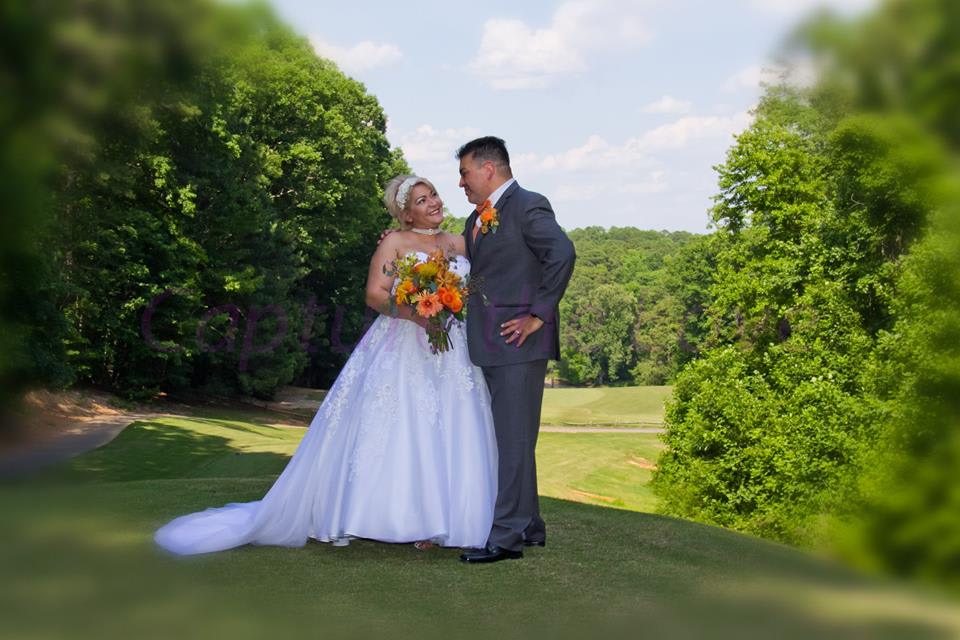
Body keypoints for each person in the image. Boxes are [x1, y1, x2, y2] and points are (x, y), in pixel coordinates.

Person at [154, 175, 498, 555]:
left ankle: (442, 520)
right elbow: (374, 295)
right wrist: (415, 314)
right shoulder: (395, 243)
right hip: (402, 344)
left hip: (453, 350)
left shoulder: (458, 241)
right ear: (405, 214)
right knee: (405, 426)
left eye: (432, 194)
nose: (432, 202)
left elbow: (492, 263)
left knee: (451, 426)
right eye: (421, 200)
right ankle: (397, 516)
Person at [455, 136, 576, 564]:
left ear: (488, 169)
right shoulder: (477, 218)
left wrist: (538, 315)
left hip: (518, 344)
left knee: (513, 441)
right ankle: (530, 526)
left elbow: (562, 253)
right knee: (515, 439)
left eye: (465, 173)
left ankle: (505, 538)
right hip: (492, 343)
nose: (461, 182)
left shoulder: (528, 205)